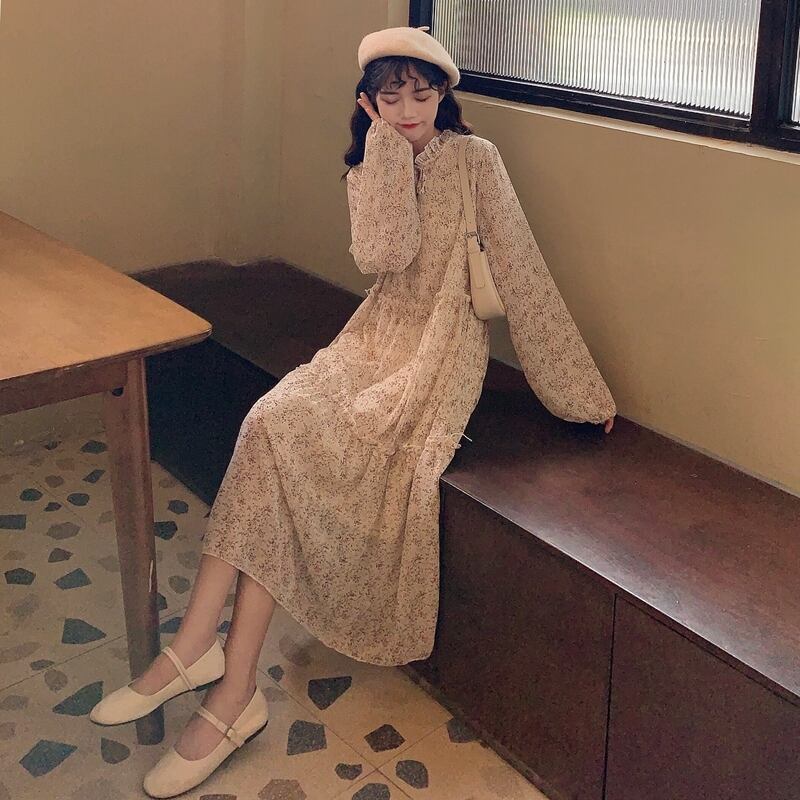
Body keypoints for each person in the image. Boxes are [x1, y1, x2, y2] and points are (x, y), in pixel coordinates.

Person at [89, 25, 617, 798]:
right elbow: (383, 256)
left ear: (444, 94)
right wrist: (388, 156)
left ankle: (219, 678)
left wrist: (580, 396)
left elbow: (524, 275)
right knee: (270, 421)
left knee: (292, 441)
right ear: (368, 102)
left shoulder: (477, 160)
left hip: (434, 355)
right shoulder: (374, 160)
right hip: (371, 338)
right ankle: (207, 656)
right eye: (390, 96)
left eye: (422, 94)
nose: (408, 110)